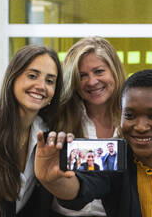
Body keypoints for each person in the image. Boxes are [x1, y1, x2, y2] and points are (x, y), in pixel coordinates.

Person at [35, 69, 152, 217]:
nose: (141, 126)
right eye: (130, 115)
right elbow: (80, 190)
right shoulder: (110, 154)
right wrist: (53, 181)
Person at [0, 45, 63, 216]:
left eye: (50, 81)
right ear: (13, 78)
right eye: (32, 76)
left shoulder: (47, 134)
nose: (41, 86)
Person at [51, 36, 125, 216]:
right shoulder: (56, 118)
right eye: (82, 75)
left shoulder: (132, 120)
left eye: (99, 71)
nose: (92, 82)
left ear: (114, 71)